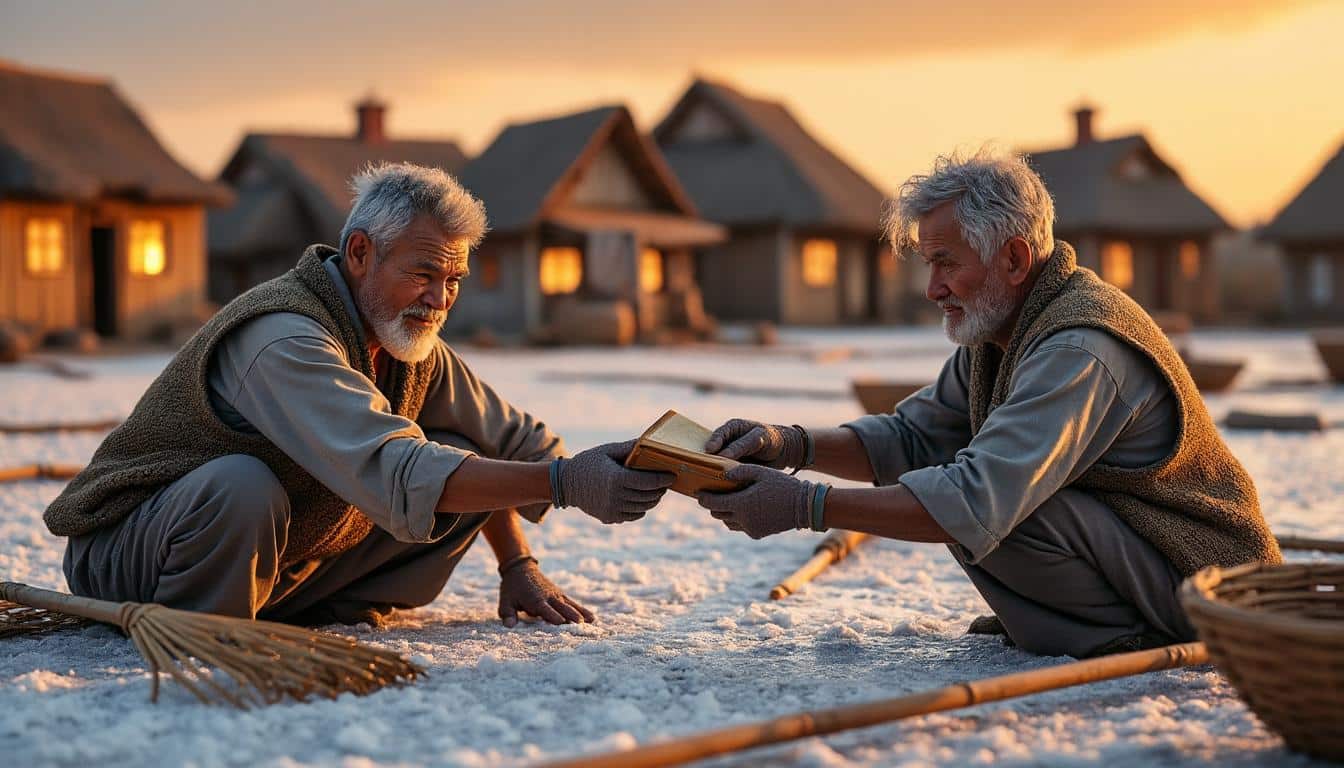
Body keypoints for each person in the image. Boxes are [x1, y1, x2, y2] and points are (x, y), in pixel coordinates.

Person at [696, 149, 1280, 658]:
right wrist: (787, 443)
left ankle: (1122, 634)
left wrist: (806, 506)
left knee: (979, 501)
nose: (933, 289)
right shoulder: (1000, 334)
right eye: (930, 264)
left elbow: (973, 500)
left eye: (947, 262)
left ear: (1015, 260)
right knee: (947, 482)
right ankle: (1079, 624)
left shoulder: (1080, 347)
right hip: (1147, 565)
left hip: (1214, 593)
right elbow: (909, 439)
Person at [46, 162, 673, 628]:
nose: (440, 299)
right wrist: (564, 483)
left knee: (459, 445)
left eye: (453, 279)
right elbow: (399, 471)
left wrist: (523, 561)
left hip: (279, 562)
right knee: (243, 485)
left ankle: (311, 608)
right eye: (422, 274)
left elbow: (513, 443)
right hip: (136, 553)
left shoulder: (406, 343)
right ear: (360, 253)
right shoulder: (281, 337)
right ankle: (209, 629)